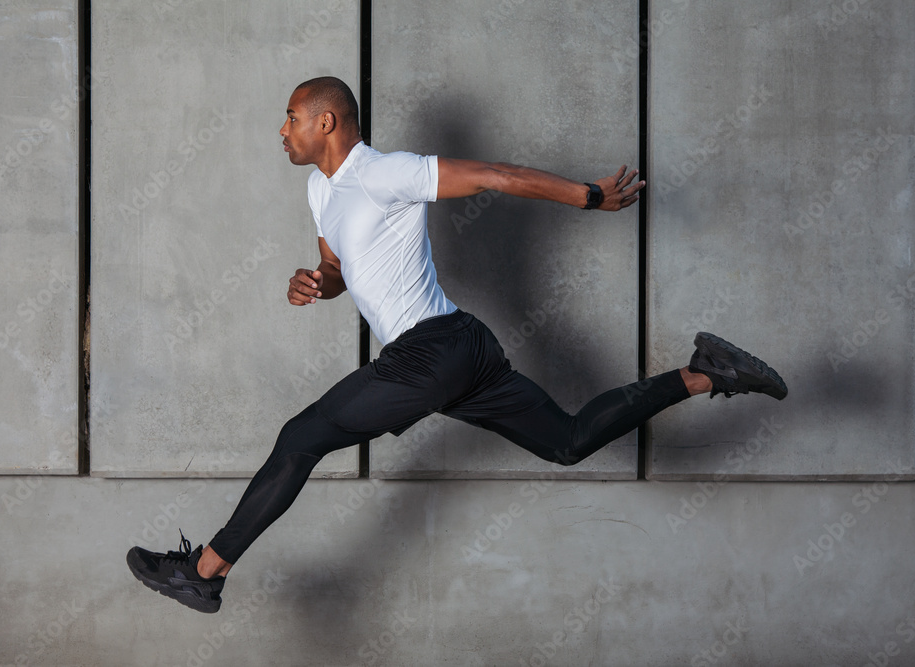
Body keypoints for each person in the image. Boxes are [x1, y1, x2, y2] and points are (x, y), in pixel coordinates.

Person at [127, 76, 787, 614]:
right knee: (567, 440)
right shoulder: (319, 189)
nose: (282, 128)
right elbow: (338, 271)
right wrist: (315, 283)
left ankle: (204, 571)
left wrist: (590, 197)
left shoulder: (386, 173)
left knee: (302, 436)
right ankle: (705, 372)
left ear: (326, 122)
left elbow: (496, 173)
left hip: (432, 349)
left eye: (291, 116)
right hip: (460, 349)